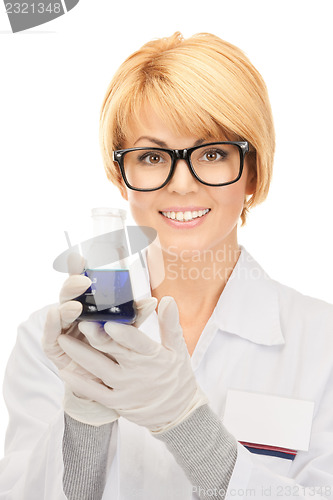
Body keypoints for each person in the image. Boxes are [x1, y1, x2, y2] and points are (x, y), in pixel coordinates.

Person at [1, 31, 333, 500]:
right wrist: (85, 415)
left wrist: (188, 426)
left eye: (213, 153)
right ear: (122, 177)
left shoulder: (322, 345)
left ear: (254, 172)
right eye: (153, 156)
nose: (181, 184)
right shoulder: (54, 344)